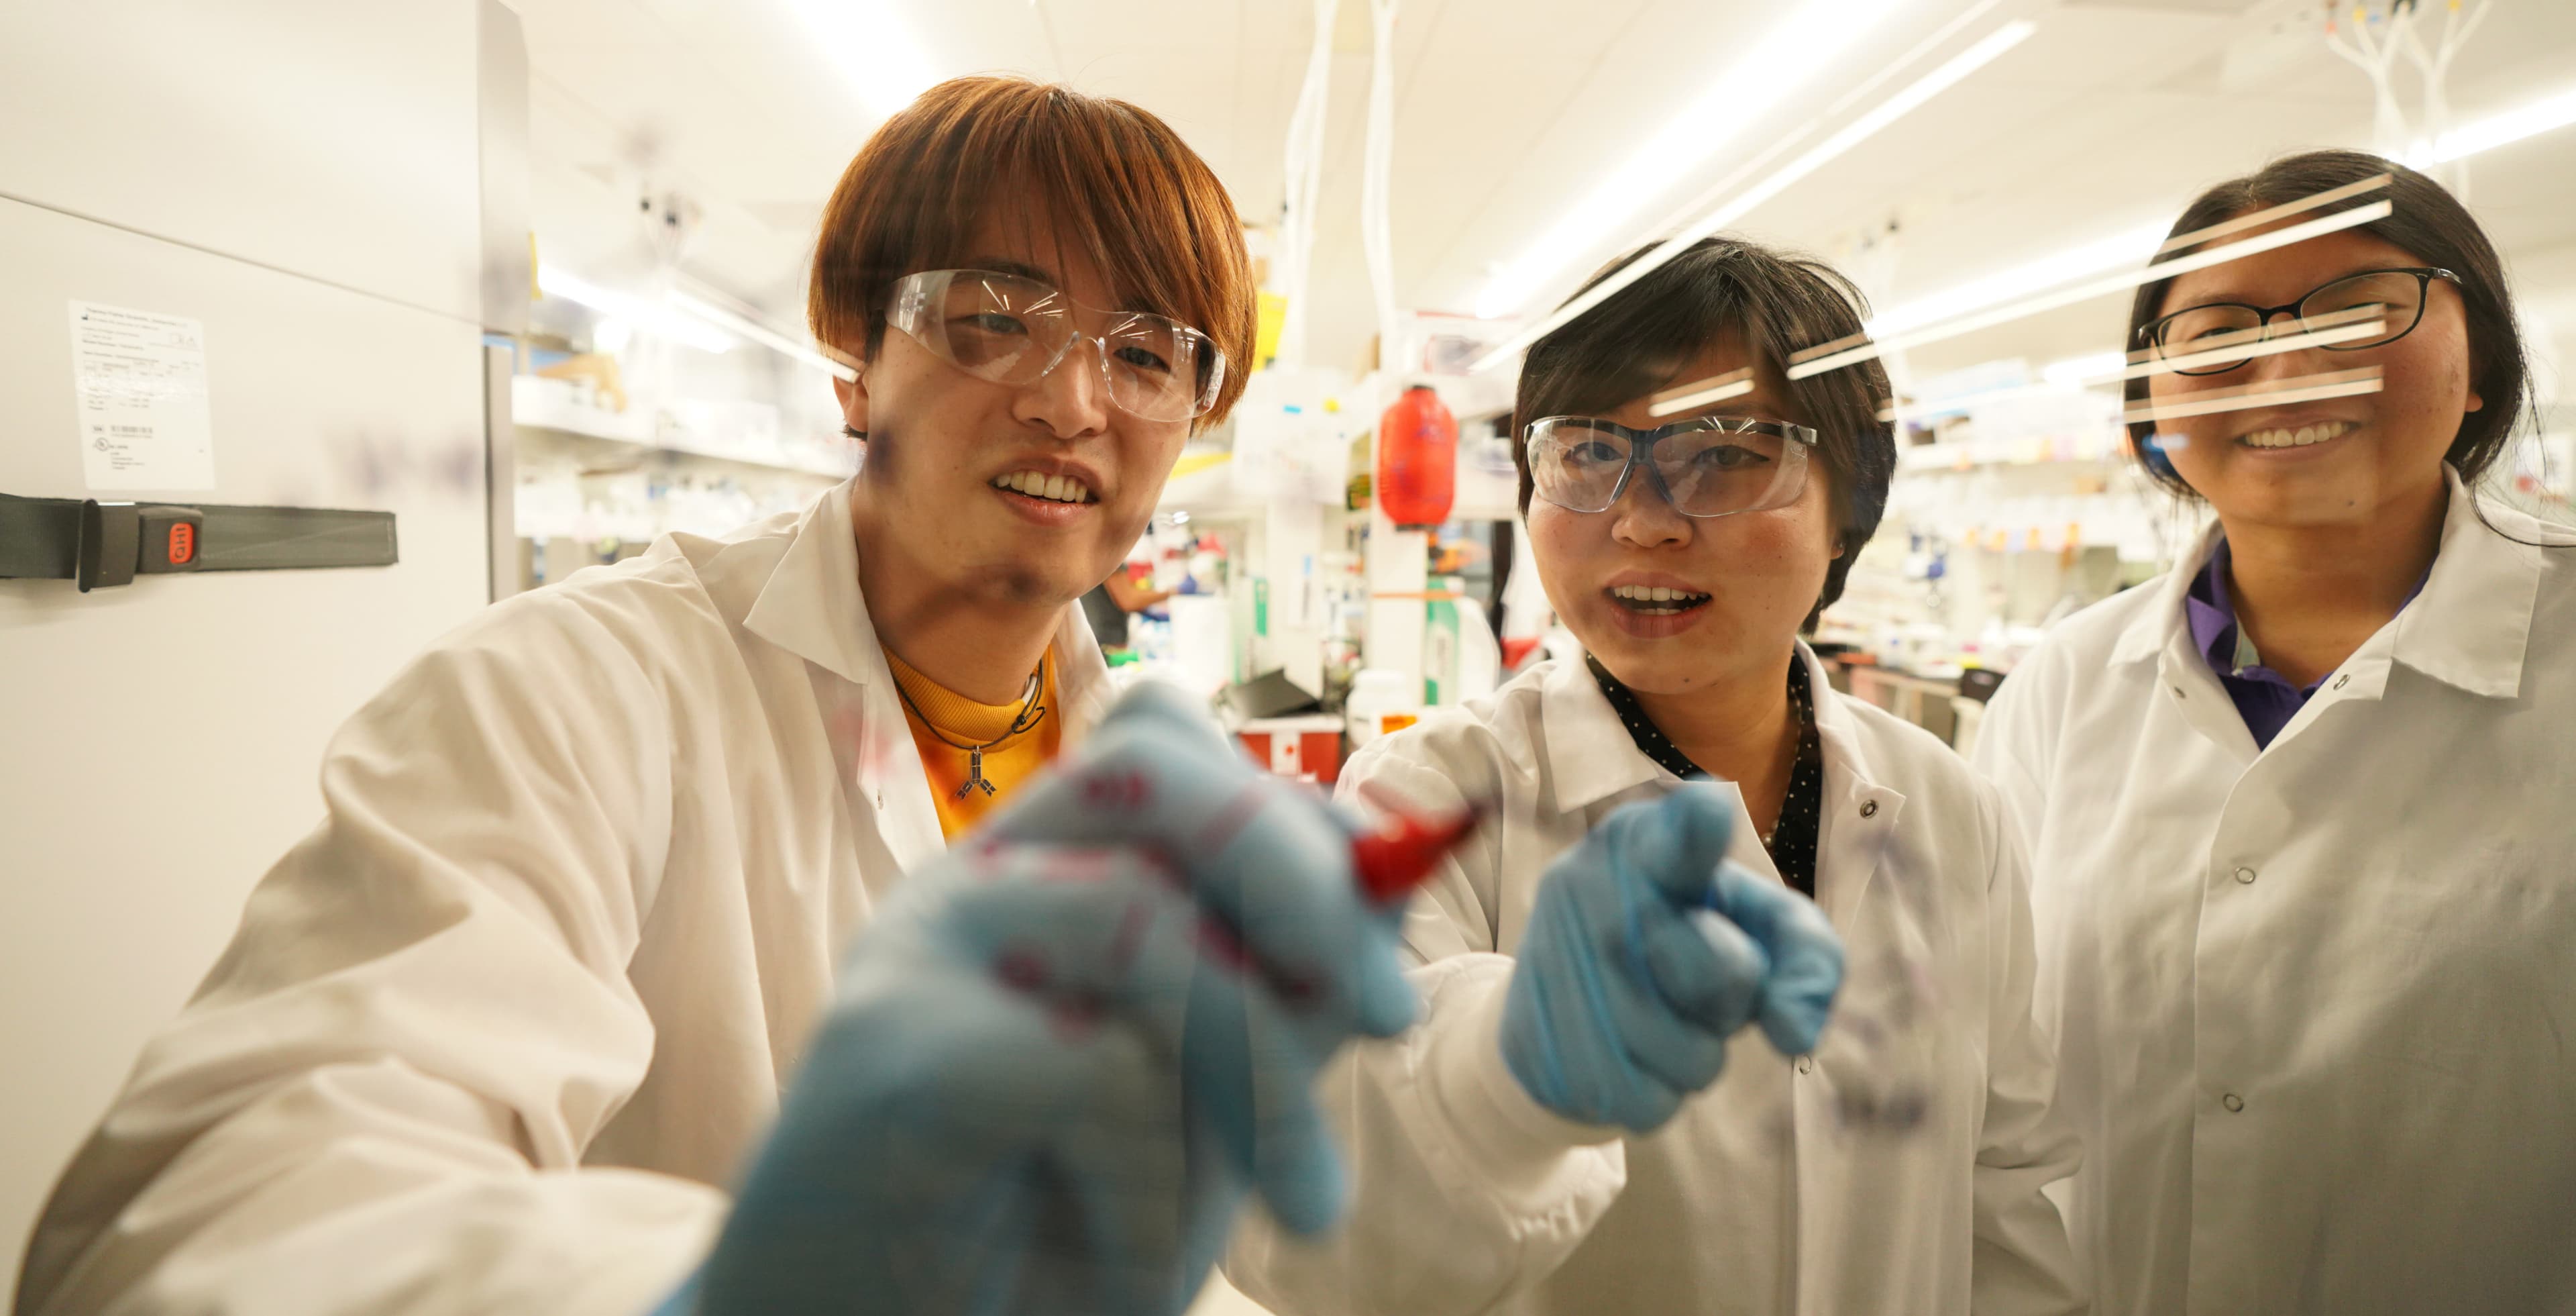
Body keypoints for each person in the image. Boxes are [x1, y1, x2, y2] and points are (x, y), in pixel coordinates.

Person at [13, 77, 1416, 1316]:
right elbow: (222, 1223)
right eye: (994, 320)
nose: (1072, 402)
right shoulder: (567, 694)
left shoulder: (1156, 788)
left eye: (1146, 356)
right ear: (856, 366)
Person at [1225, 236, 2084, 1316]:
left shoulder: (1955, 806)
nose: (1643, 519)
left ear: (1848, 502)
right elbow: (1315, 1234)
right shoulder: (1426, 799)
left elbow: (2000, 1195)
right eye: (1586, 452)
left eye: (1726, 454)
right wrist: (1508, 1075)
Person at [1970, 149, 2576, 1313]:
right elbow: (1993, 1077)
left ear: (2481, 365)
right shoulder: (2067, 685)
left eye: (2361, 311)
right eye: (2219, 332)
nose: (2285, 369)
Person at [1079, 561, 1171, 653]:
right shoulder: (1108, 553)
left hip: (1097, 638)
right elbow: (1128, 601)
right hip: (1106, 641)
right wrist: (1174, 591)